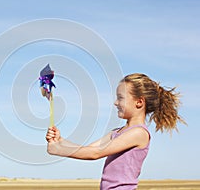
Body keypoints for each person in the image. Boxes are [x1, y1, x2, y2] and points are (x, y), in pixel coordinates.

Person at [45, 73, 186, 190]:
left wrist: (59, 150)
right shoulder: (117, 132)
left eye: (121, 98)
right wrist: (61, 141)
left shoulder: (138, 133)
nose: (115, 102)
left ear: (139, 102)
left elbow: (96, 154)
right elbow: (89, 149)